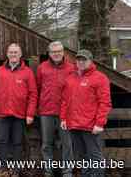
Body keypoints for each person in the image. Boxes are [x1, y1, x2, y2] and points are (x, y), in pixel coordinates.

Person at [0, 43, 38, 176]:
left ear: (20, 54)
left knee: (17, 142)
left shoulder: (27, 72)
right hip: (2, 113)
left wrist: (30, 114)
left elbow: (33, 94)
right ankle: (2, 167)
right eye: (11, 52)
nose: (13, 54)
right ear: (7, 54)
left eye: (16, 52)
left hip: (20, 114)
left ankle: (16, 169)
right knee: (2, 140)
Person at [61, 49, 112, 177]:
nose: (81, 62)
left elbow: (105, 103)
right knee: (82, 156)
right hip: (73, 125)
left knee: (95, 156)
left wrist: (99, 123)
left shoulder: (100, 78)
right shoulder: (70, 78)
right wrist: (63, 118)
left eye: (84, 60)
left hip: (90, 125)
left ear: (91, 61)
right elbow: (65, 100)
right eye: (79, 59)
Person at [36, 41, 74, 177]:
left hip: (65, 113)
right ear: (49, 53)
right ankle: (48, 171)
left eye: (59, 51)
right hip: (46, 111)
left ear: (63, 52)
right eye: (53, 52)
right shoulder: (42, 68)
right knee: (47, 143)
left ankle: (67, 171)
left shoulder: (71, 68)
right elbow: (38, 87)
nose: (56, 54)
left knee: (67, 143)